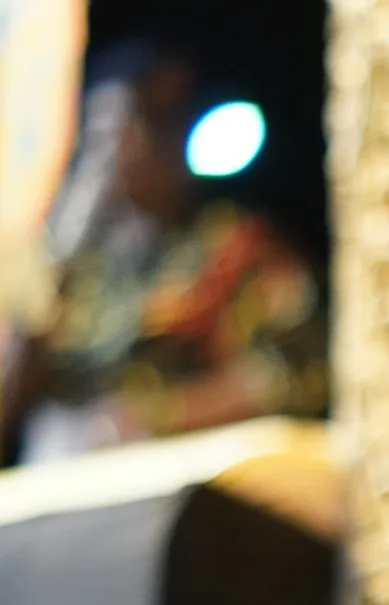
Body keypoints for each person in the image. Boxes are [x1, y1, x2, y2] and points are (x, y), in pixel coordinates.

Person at [5, 44, 326, 464]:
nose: (119, 149)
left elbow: (294, 376)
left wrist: (157, 418)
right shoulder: (64, 266)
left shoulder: (233, 246)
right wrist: (51, 275)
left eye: (158, 124)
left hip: (187, 489)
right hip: (66, 488)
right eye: (104, 133)